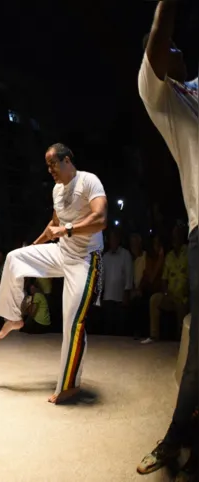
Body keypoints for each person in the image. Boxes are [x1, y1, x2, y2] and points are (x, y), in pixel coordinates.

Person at [0, 143, 108, 405]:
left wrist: (66, 230)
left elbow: (101, 219)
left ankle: (69, 386)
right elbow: (53, 225)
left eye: (52, 163)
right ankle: (14, 318)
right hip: (61, 252)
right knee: (14, 258)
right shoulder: (57, 190)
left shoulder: (89, 181)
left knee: (72, 321)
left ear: (67, 160)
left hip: (86, 260)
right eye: (47, 165)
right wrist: (34, 247)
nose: (49, 170)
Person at [137, 5, 199, 475]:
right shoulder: (171, 101)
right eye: (167, 52)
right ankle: (178, 436)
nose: (174, 50)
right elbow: (160, 41)